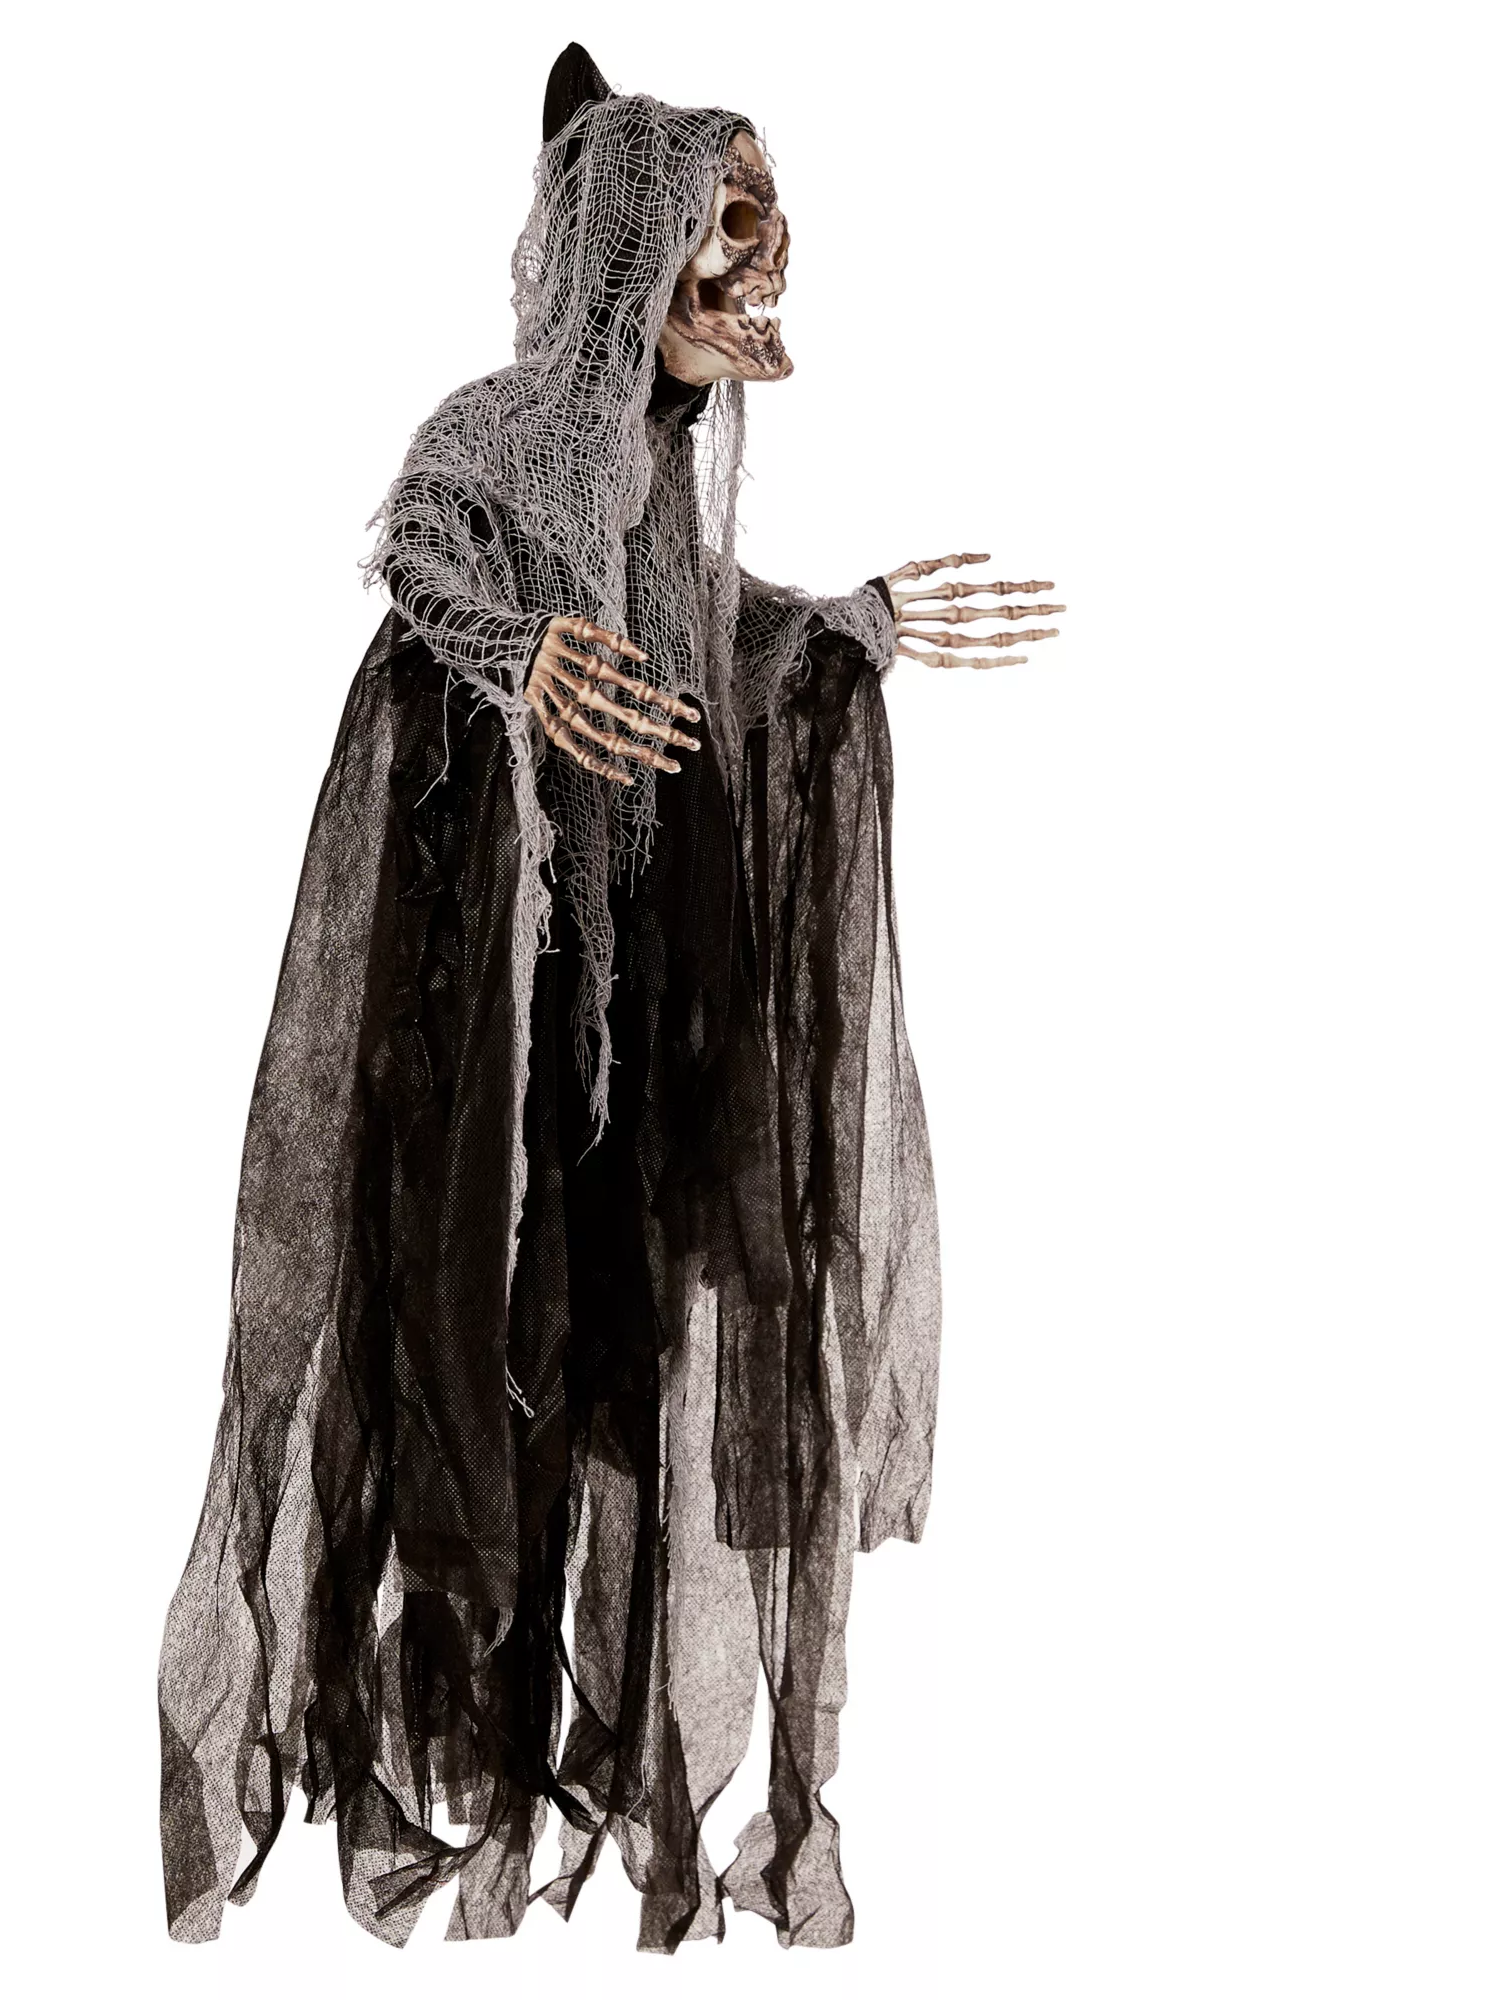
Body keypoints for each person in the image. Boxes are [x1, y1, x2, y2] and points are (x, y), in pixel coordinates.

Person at [158, 43, 1059, 1951]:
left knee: (628, 1377)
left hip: (637, 1019)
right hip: (493, 1018)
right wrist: (518, 649)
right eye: (729, 223)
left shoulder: (650, 470)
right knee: (470, 1363)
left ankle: (585, 1760)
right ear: (630, 246)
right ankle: (451, 1747)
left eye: (771, 219)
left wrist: (848, 628)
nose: (766, 260)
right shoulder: (497, 431)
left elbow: (704, 628)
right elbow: (421, 548)